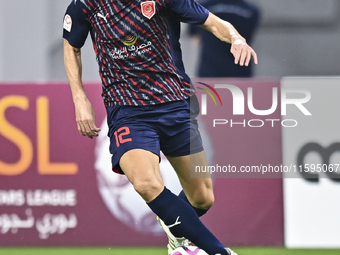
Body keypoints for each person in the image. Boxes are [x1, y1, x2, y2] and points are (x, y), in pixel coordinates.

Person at [63, 0, 257, 254]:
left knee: (202, 197)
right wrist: (79, 98)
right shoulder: (86, 5)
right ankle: (218, 251)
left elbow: (211, 21)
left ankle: (175, 228)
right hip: (127, 109)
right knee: (146, 183)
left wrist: (236, 38)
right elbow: (71, 46)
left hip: (175, 103)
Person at [189, 0, 260, 77]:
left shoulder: (201, 8)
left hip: (209, 69)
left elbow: (195, 34)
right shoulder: (251, 10)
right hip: (240, 69)